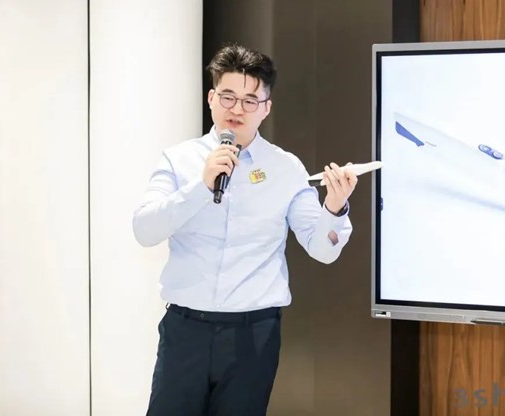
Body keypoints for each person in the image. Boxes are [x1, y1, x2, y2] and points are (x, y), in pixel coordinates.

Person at [133, 43, 358, 416]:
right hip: (185, 329)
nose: (237, 109)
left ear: (266, 108)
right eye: (228, 97)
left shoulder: (286, 168)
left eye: (250, 100)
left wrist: (334, 208)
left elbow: (323, 249)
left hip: (252, 335)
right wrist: (201, 186)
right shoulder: (179, 159)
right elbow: (144, 230)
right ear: (211, 98)